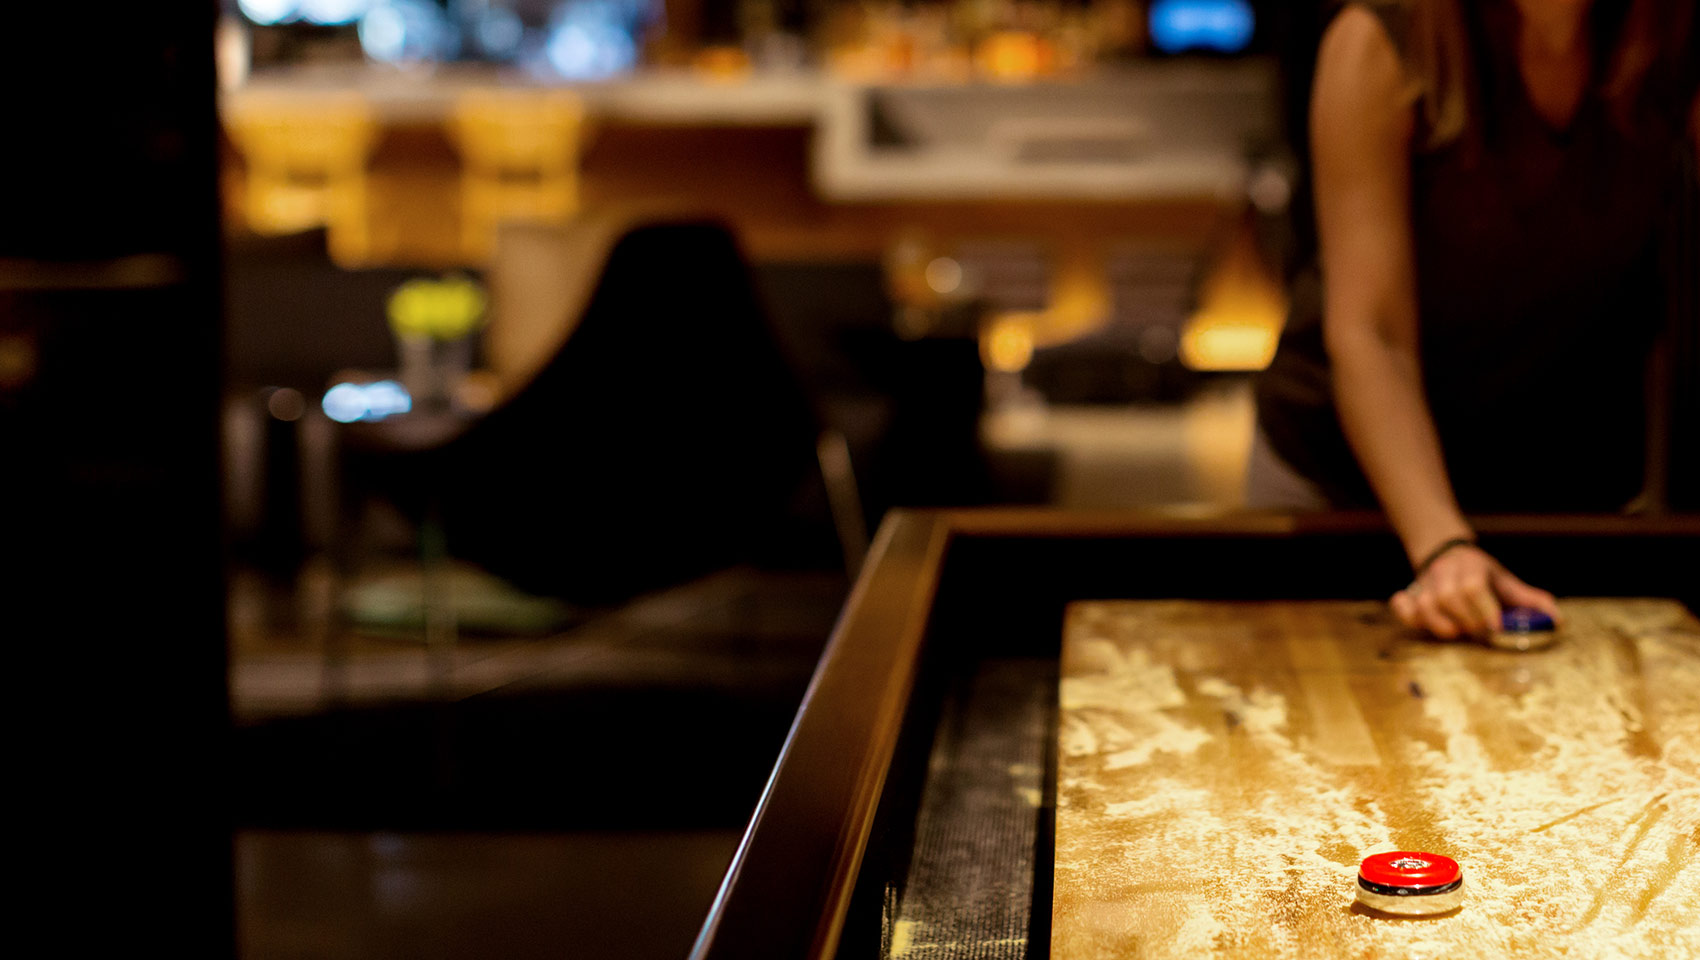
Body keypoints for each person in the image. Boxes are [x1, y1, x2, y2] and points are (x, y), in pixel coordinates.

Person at [1250, 0, 1699, 639]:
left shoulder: (1673, 35)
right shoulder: (1382, 40)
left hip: (1556, 488)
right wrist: (1441, 547)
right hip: (1348, 485)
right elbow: (1372, 336)